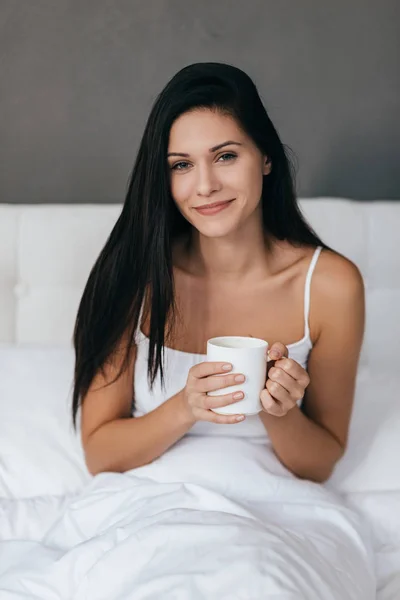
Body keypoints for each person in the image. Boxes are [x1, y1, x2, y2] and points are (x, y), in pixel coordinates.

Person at [72, 62, 365, 484]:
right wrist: (186, 406)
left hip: (274, 512)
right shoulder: (135, 276)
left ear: (265, 158)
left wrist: (274, 408)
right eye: (181, 165)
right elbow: (100, 455)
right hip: (146, 506)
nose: (205, 185)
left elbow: (318, 465)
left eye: (225, 156)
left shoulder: (330, 287)